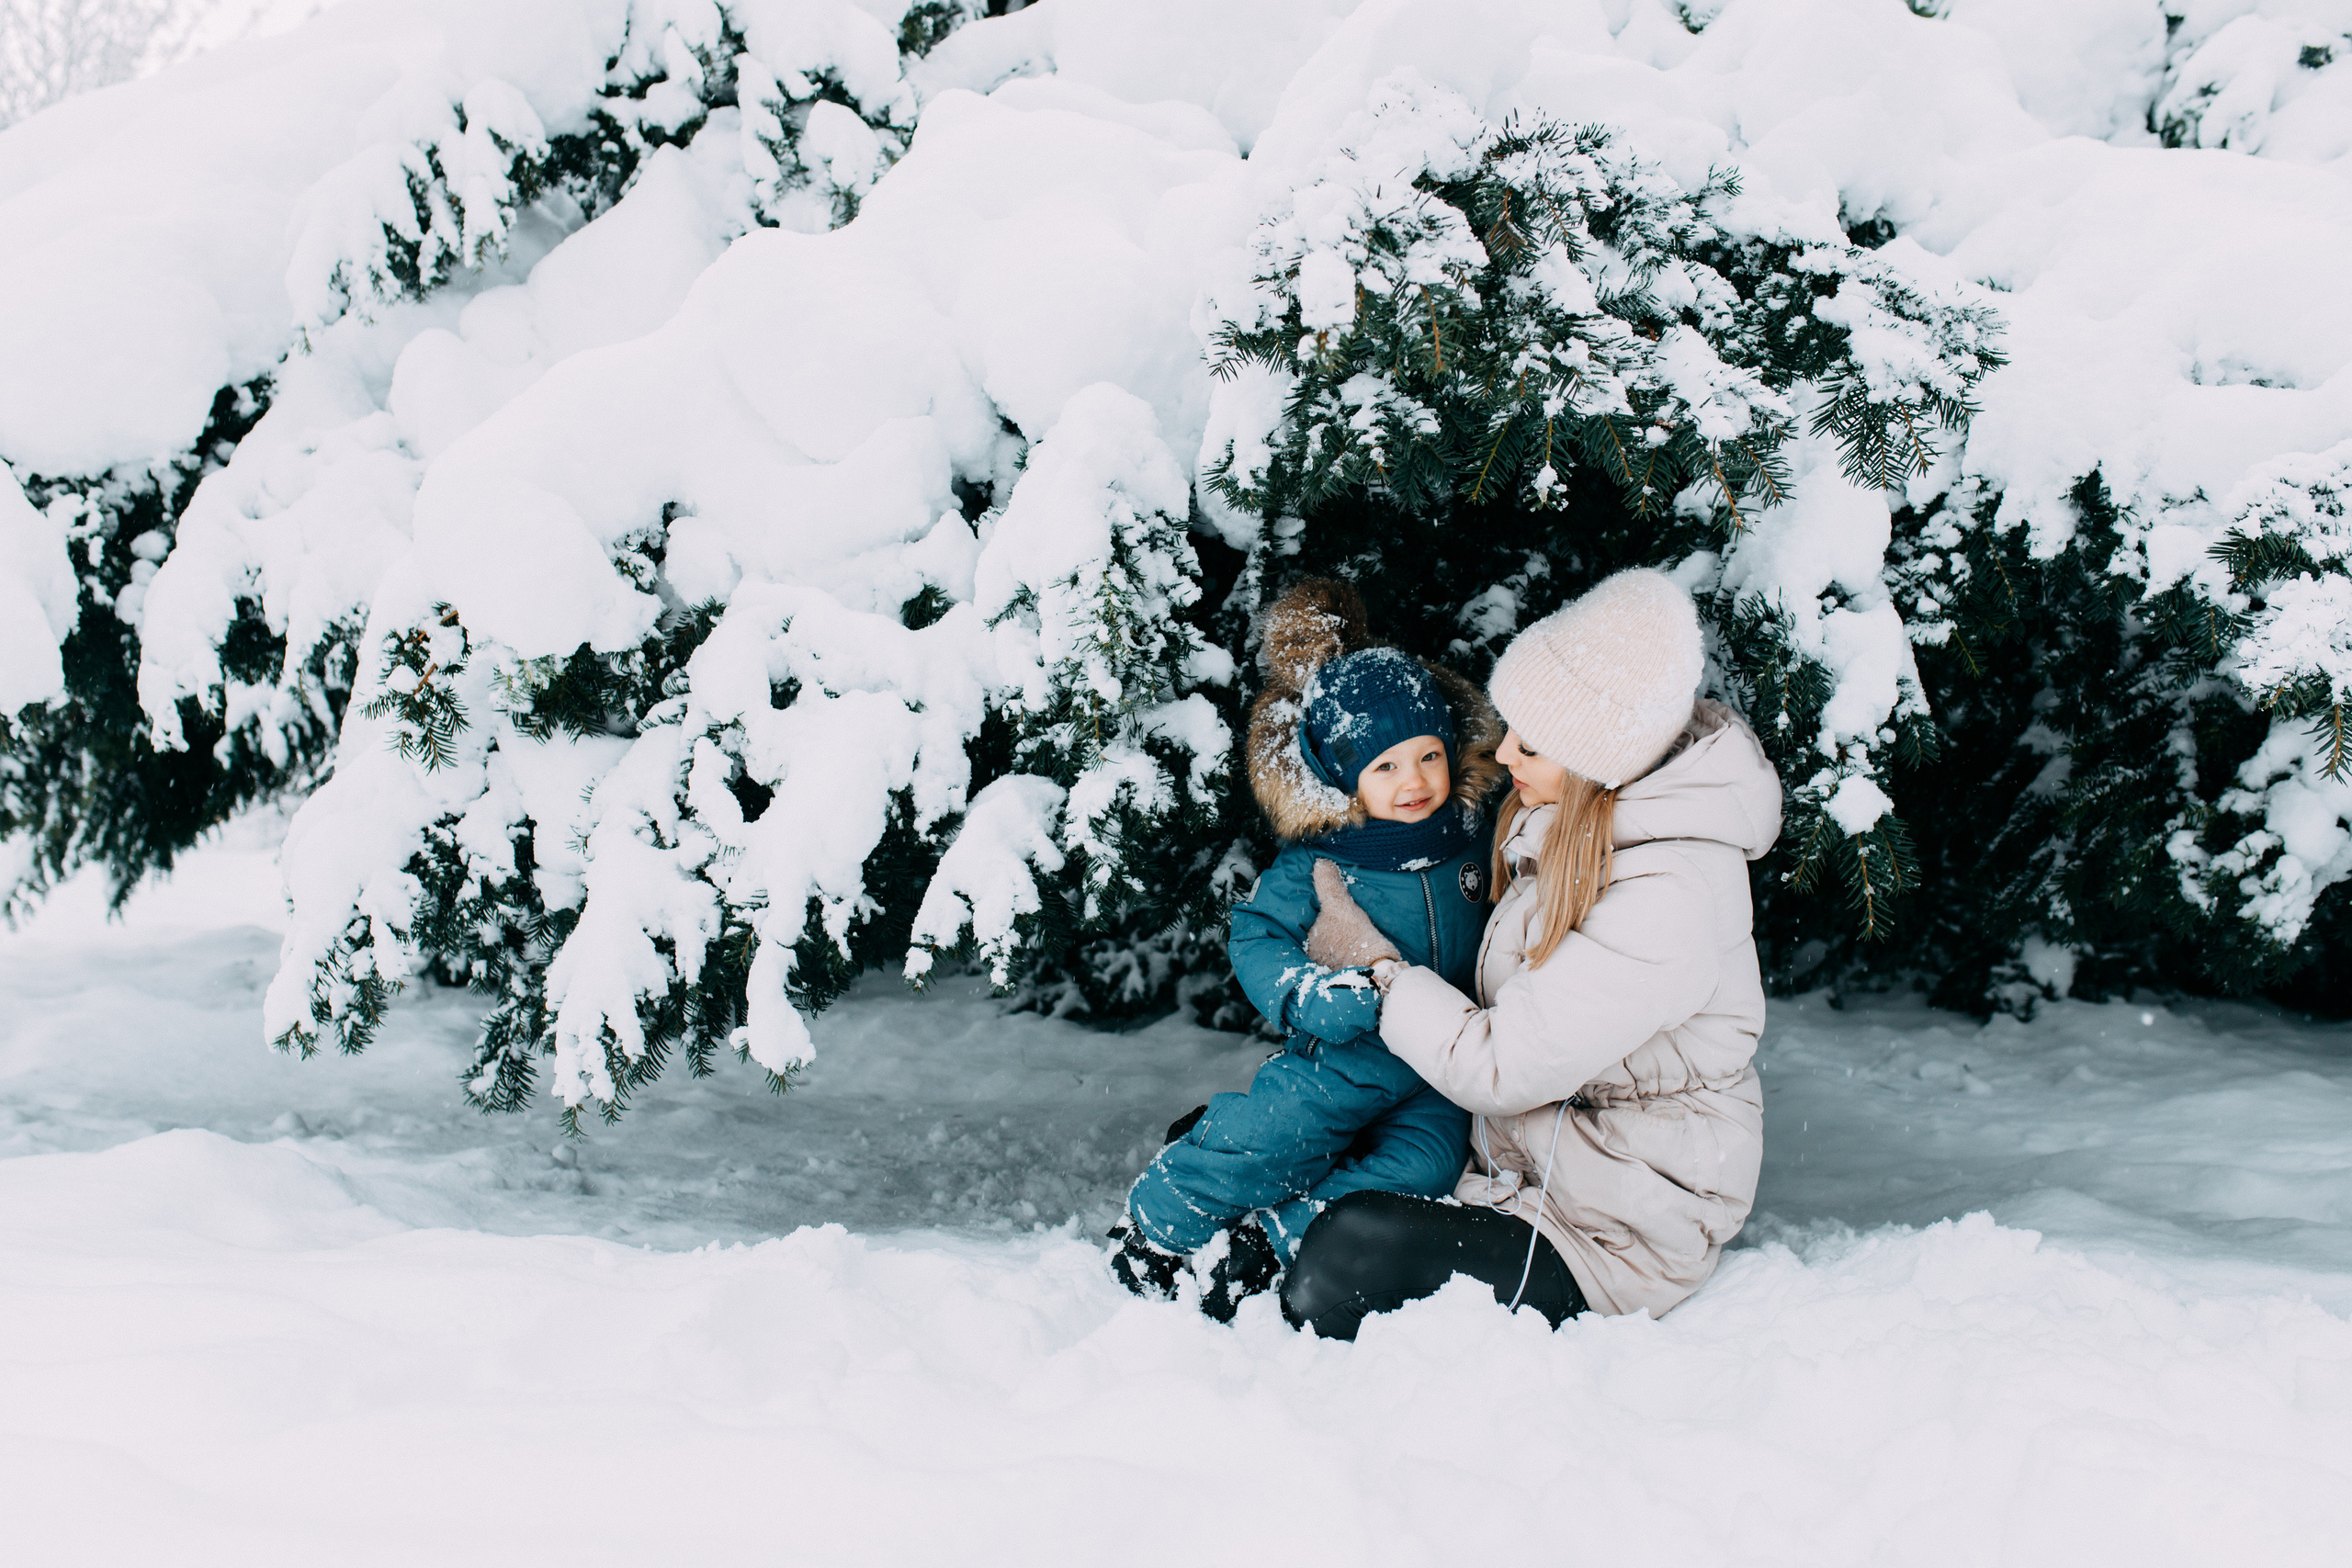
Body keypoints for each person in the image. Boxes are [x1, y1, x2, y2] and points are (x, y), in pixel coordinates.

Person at [1283, 568, 1783, 1340]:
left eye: (1534, 742)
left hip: (1613, 1225)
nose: (1504, 749)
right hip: (1524, 1169)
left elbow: (1501, 1064)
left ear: (1595, 762)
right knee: (1285, 1149)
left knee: (1343, 1260)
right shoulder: (1563, 822)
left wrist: (1380, 971)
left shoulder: (1670, 892)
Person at [1111, 579, 1507, 1319]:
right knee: (1275, 1136)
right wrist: (1305, 993)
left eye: (1426, 757)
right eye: (1384, 767)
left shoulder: (1475, 840)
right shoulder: (1324, 860)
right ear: (1343, 776)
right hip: (1340, 1057)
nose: (1413, 781)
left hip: (1436, 1070)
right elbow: (1255, 933)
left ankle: (1276, 1237)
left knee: (1424, 1166)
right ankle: (1161, 1221)